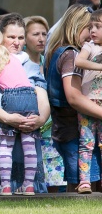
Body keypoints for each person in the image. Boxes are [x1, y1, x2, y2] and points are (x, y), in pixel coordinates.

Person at [0, 13, 49, 195]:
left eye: (20, 37)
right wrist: (8, 118)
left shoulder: (30, 65)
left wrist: (40, 119)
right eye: (11, 37)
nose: (17, 42)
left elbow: (43, 98)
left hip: (26, 133)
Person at [45, 4, 102, 192]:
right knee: (83, 189)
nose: (92, 33)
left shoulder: (58, 51)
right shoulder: (71, 54)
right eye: (89, 28)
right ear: (76, 27)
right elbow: (74, 97)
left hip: (66, 131)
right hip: (74, 133)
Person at [24, 16, 66, 192]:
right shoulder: (20, 64)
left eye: (44, 34)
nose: (41, 38)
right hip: (28, 126)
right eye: (35, 34)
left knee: (55, 182)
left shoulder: (47, 61)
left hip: (51, 129)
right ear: (24, 37)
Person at [73, 8, 102, 193]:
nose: (92, 30)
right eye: (91, 26)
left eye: (98, 27)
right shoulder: (89, 46)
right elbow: (79, 62)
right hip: (88, 103)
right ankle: (84, 182)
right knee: (86, 143)